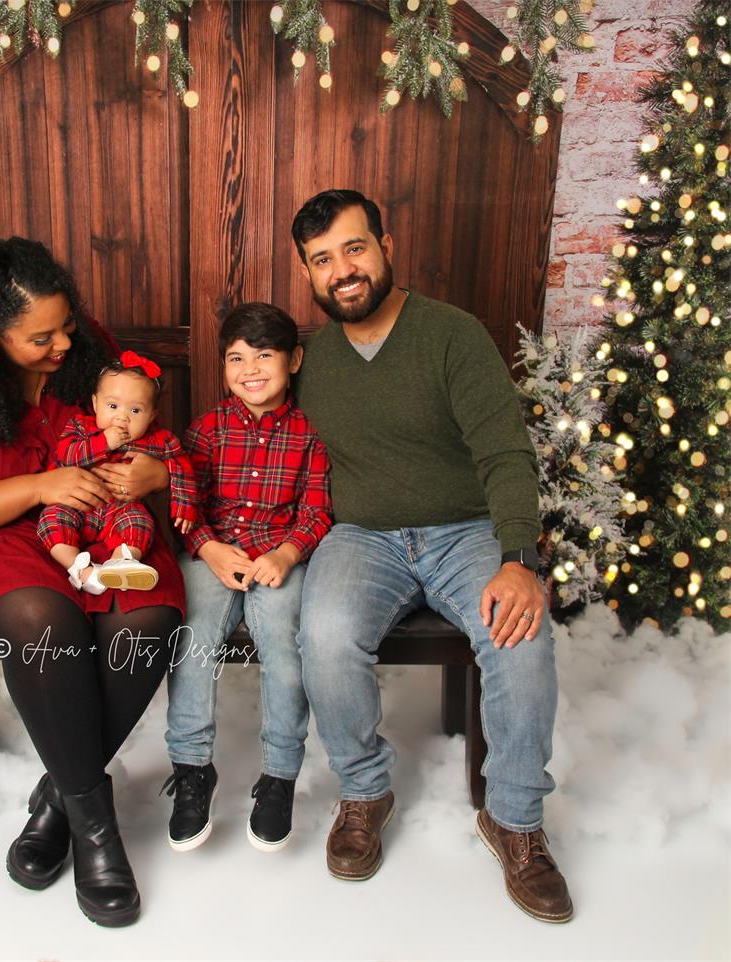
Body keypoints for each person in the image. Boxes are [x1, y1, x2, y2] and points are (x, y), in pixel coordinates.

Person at [0, 237, 184, 928]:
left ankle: (57, 799)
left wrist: (155, 473)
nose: (61, 346)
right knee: (41, 622)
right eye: (39, 337)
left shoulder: (81, 350)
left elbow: (145, 427)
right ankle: (97, 829)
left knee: (148, 620)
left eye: (67, 327)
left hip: (100, 527)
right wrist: (39, 485)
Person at [290, 189, 572, 923]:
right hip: (362, 536)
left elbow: (507, 451)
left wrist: (518, 556)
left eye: (354, 248)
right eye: (322, 260)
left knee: (520, 636)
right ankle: (363, 792)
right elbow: (249, 424)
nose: (341, 270)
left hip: (463, 529)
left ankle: (513, 818)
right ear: (309, 275)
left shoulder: (451, 334)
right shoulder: (308, 357)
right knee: (321, 634)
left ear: (385, 245)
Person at [162, 302, 333, 854]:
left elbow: (317, 510)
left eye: (264, 355)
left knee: (286, 644)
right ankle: (192, 769)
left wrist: (287, 554)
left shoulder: (311, 432)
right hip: (215, 555)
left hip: (277, 558)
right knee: (191, 639)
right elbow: (185, 503)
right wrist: (206, 547)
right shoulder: (207, 429)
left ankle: (279, 775)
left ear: (294, 360)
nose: (250, 369)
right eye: (237, 358)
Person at [37, 350, 199, 594]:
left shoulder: (159, 440)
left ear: (151, 415)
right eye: (112, 406)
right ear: (95, 404)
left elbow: (181, 466)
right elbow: (65, 456)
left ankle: (122, 562)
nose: (122, 417)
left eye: (135, 411)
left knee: (140, 522)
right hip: (77, 504)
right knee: (51, 519)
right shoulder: (81, 427)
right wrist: (104, 442)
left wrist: (184, 505)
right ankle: (80, 571)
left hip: (120, 509)